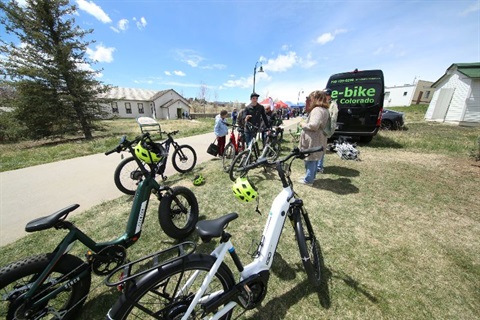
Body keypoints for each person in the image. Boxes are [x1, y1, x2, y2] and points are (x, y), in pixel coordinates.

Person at [298, 90, 329, 185]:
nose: (310, 101)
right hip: (318, 137)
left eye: (312, 99)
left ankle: (308, 179)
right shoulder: (324, 110)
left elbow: (314, 125)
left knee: (310, 159)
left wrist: (303, 124)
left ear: (316, 99)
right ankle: (311, 176)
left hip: (313, 138)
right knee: (315, 158)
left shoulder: (317, 110)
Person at [317, 88, 338, 173]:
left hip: (325, 130)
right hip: (319, 129)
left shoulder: (333, 105)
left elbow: (333, 119)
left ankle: (319, 166)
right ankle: (318, 165)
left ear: (328, 95)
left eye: (325, 95)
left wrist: (329, 130)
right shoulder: (323, 104)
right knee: (317, 147)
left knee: (321, 148)